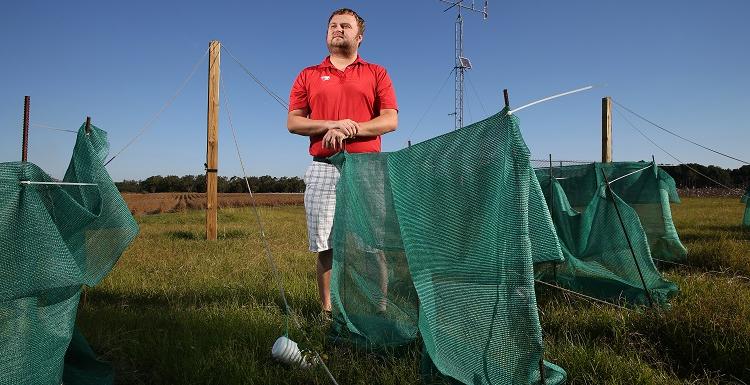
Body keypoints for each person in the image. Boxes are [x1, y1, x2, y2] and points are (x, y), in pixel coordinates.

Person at [287, 8, 398, 314]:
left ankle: (379, 309)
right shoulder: (308, 75)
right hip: (323, 168)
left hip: (366, 170)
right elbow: (294, 122)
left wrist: (353, 128)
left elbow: (390, 120)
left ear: (359, 37)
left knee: (372, 243)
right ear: (327, 34)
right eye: (333, 26)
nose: (338, 29)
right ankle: (327, 310)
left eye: (345, 26)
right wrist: (331, 124)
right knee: (325, 243)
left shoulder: (376, 72)